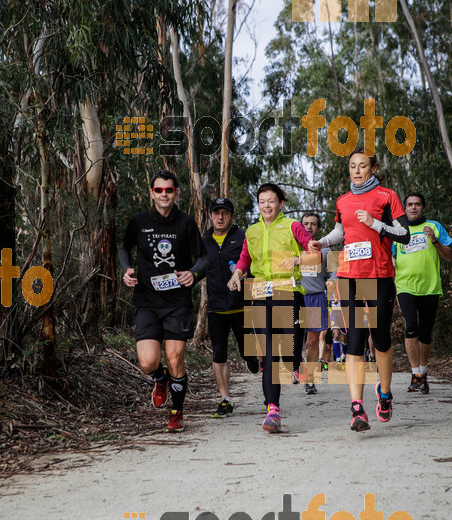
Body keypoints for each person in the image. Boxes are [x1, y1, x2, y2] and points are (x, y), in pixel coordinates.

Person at [308, 146, 410, 432]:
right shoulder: (343, 200)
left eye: (362, 165)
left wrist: (376, 223)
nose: (356, 170)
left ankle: (385, 394)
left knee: (380, 338)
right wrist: (323, 243)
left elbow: (404, 234)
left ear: (373, 168)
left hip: (378, 276)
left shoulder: (386, 196)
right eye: (352, 165)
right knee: (354, 339)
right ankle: (357, 408)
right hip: (349, 277)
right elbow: (342, 232)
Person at [119, 170, 208, 433]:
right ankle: (160, 379)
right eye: (159, 190)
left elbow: (203, 258)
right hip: (146, 300)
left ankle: (176, 412)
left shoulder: (186, 223)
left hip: (177, 302)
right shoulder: (139, 222)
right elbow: (124, 247)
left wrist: (193, 274)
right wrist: (125, 269)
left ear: (176, 192)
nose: (164, 194)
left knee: (176, 357)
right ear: (152, 193)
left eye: (169, 190)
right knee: (148, 363)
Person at [227, 183, 313, 434]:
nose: (266, 205)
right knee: (269, 354)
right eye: (262, 201)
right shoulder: (252, 231)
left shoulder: (292, 226)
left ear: (281, 204)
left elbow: (314, 253)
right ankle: (272, 409)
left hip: (289, 291)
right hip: (261, 294)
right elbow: (245, 258)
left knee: (290, 351)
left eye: (271, 201)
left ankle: (296, 363)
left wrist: (297, 259)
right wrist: (236, 275)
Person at [202, 197, 260, 418]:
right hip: (215, 307)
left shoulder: (242, 237)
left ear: (232, 216)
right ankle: (225, 399)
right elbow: (198, 267)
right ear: (210, 215)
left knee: (248, 352)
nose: (220, 217)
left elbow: (253, 265)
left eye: (225, 213)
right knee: (219, 353)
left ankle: (251, 358)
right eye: (216, 212)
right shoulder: (204, 240)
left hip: (240, 306)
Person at [393, 192, 452, 394]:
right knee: (411, 327)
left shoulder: (434, 226)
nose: (413, 208)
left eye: (417, 204)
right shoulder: (398, 230)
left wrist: (435, 241)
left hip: (430, 287)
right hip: (405, 287)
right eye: (409, 204)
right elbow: (390, 258)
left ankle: (423, 373)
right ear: (405, 208)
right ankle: (415, 374)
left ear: (423, 207)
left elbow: (448, 256)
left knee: (426, 333)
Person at [299, 212, 330, 394]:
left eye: (313, 224)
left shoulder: (325, 252)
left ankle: (309, 379)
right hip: (296, 298)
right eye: (305, 224)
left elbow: (335, 272)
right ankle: (296, 368)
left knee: (312, 341)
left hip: (316, 298)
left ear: (319, 228)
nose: (309, 227)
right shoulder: (293, 249)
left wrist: (331, 280)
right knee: (292, 340)